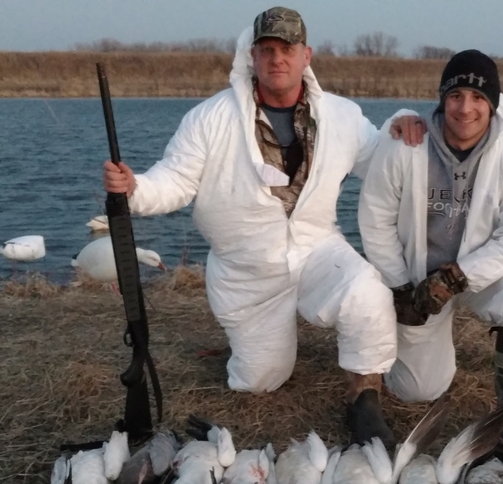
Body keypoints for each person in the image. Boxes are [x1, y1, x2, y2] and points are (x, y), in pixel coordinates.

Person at [103, 7, 424, 448]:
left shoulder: (341, 117)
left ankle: (364, 398)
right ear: (251, 56)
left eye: (287, 49)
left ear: (306, 55)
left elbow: (382, 160)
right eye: (267, 49)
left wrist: (402, 123)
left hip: (316, 250)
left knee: (366, 291)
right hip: (245, 271)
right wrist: (135, 188)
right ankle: (262, 344)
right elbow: (175, 180)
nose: (278, 59)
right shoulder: (209, 118)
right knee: (259, 381)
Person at [357, 49, 503, 453]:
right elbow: (375, 219)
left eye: (479, 98)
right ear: (442, 99)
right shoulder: (405, 145)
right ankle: (391, 336)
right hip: (417, 280)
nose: (466, 108)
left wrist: (456, 278)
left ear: (493, 105)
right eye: (456, 96)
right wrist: (400, 286)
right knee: (419, 390)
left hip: (478, 273)